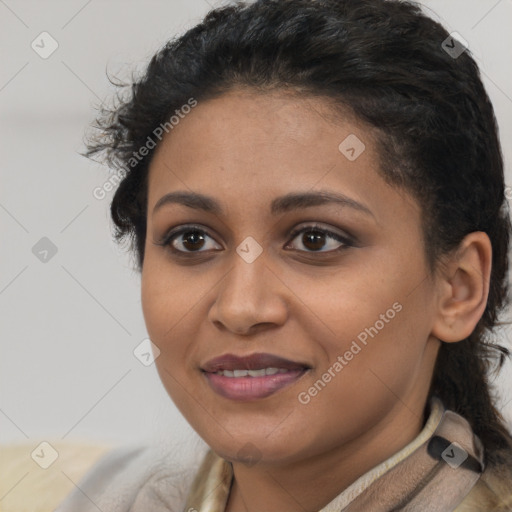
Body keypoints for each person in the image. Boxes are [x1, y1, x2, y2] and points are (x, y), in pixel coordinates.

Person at [56, 0, 512, 510]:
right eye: (192, 239)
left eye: (315, 239)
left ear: (458, 287)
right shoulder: (107, 496)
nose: (240, 308)